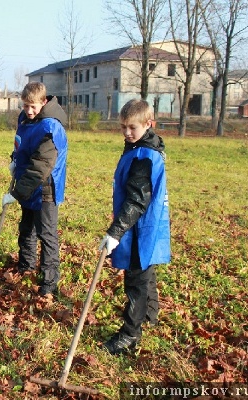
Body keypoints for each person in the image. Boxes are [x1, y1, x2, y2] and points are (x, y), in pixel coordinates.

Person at [98, 98, 170, 355]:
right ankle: (149, 317)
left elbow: (137, 200)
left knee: (136, 282)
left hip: (140, 227)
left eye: (132, 128)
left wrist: (115, 232)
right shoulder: (144, 147)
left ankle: (130, 334)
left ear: (148, 124)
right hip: (145, 224)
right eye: (123, 127)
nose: (127, 133)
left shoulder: (144, 156)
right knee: (146, 276)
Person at [2, 82, 68, 297]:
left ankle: (49, 282)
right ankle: (25, 266)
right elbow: (21, 144)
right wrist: (15, 160)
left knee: (46, 234)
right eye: (25, 105)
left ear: (44, 102)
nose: (29, 111)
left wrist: (15, 194)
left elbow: (41, 166)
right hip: (26, 180)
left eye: (33, 107)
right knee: (26, 227)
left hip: (45, 186)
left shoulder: (51, 127)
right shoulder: (24, 118)